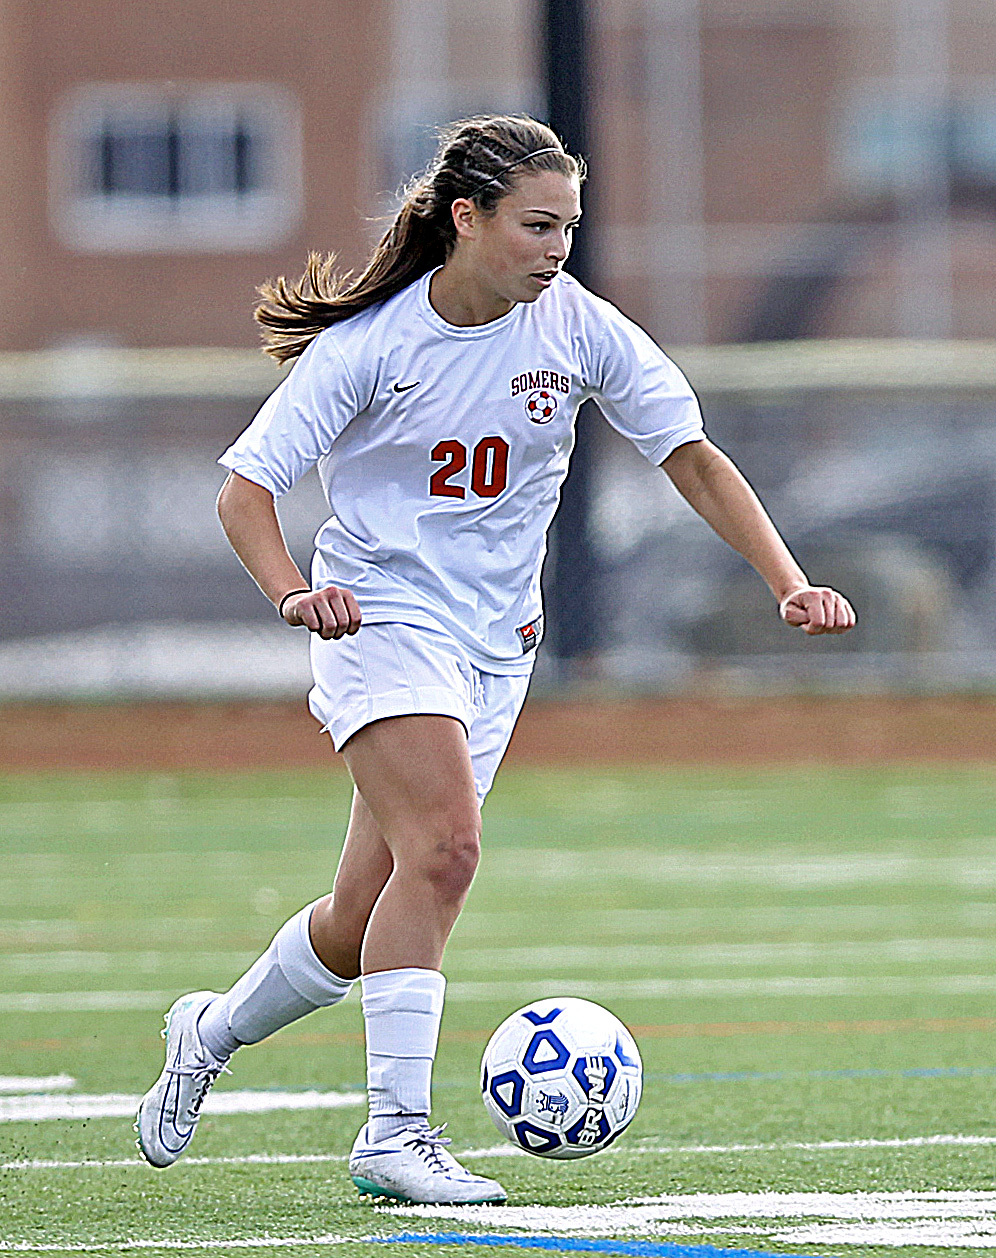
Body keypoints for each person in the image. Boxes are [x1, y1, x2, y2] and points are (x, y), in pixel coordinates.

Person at [134, 114, 856, 1204]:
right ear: (465, 219)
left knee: (356, 916)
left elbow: (691, 456)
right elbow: (244, 491)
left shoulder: (579, 327)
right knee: (449, 849)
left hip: (495, 648)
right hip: (381, 626)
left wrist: (785, 579)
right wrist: (295, 590)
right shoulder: (371, 345)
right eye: (535, 224)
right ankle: (395, 1133)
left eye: (569, 224)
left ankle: (213, 1029)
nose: (558, 246)